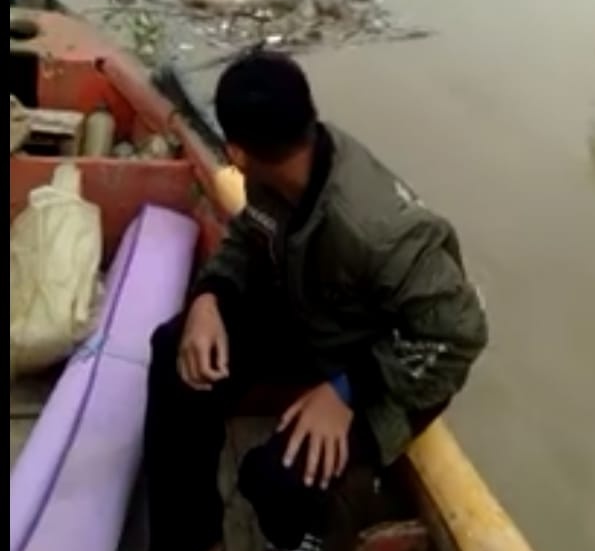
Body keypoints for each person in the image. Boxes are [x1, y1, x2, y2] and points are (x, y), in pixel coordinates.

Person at [144, 49, 488, 551]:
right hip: (317, 316)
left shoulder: (379, 230)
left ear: (236, 153)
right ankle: (188, 540)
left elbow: (459, 335)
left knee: (274, 481)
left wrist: (346, 391)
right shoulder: (281, 169)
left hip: (391, 369)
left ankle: (329, 529)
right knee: (176, 354)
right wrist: (208, 298)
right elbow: (248, 236)